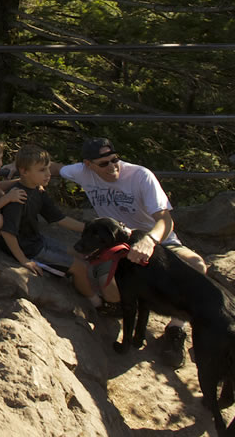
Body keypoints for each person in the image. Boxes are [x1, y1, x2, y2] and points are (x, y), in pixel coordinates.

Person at [56, 137, 207, 368]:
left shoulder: (140, 176)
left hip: (155, 240)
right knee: (111, 291)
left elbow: (165, 219)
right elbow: (57, 168)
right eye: (104, 163)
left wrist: (150, 240)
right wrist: (17, 168)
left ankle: (176, 329)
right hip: (116, 245)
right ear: (88, 164)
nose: (112, 166)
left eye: (115, 159)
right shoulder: (81, 172)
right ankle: (123, 308)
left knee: (197, 266)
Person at [0, 145, 88, 283]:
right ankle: (95, 301)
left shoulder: (37, 190)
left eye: (48, 168)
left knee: (79, 254)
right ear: (24, 171)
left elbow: (59, 218)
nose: (48, 174)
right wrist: (23, 260)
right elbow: (7, 231)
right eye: (41, 170)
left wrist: (89, 228)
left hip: (36, 240)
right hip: (27, 249)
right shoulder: (17, 196)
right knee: (79, 267)